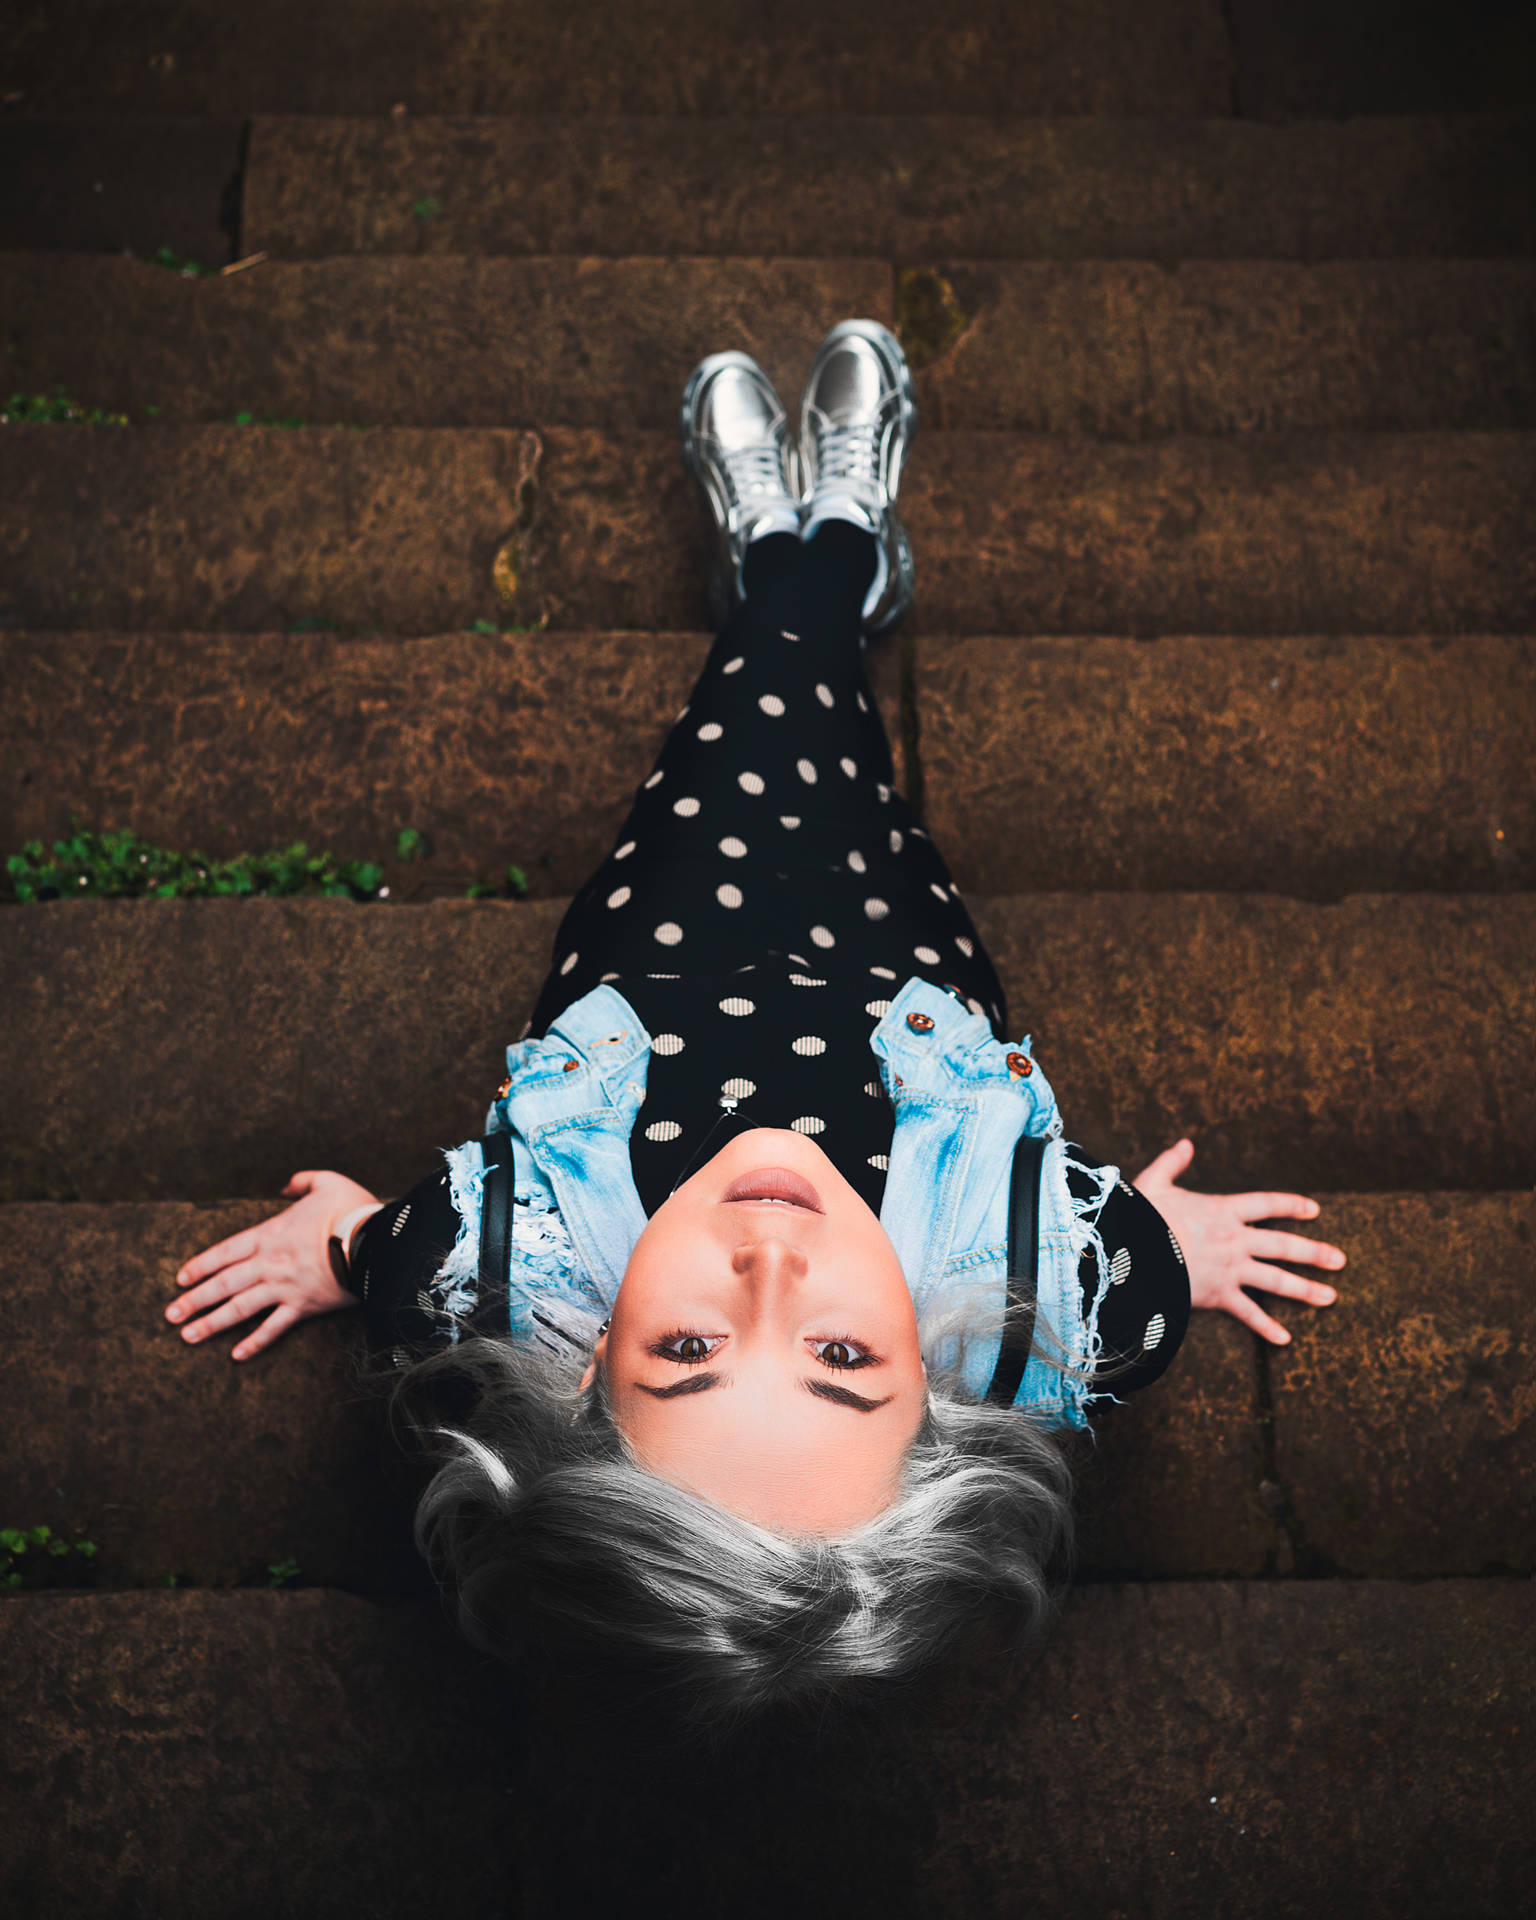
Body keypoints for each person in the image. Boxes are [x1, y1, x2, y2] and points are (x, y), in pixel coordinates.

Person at [165, 321, 1346, 1722]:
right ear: (940, 1413)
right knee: (867, 805)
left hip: (659, 944)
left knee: (720, 757)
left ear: (584, 1371)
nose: (772, 1274)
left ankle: (805, 571)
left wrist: (341, 1243)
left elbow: (397, 1256)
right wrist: (1165, 1247)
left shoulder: (476, 1277)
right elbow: (1134, 1276)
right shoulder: (1071, 1296)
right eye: (846, 1362)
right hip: (902, 967)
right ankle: (819, 562)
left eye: (686, 1356)